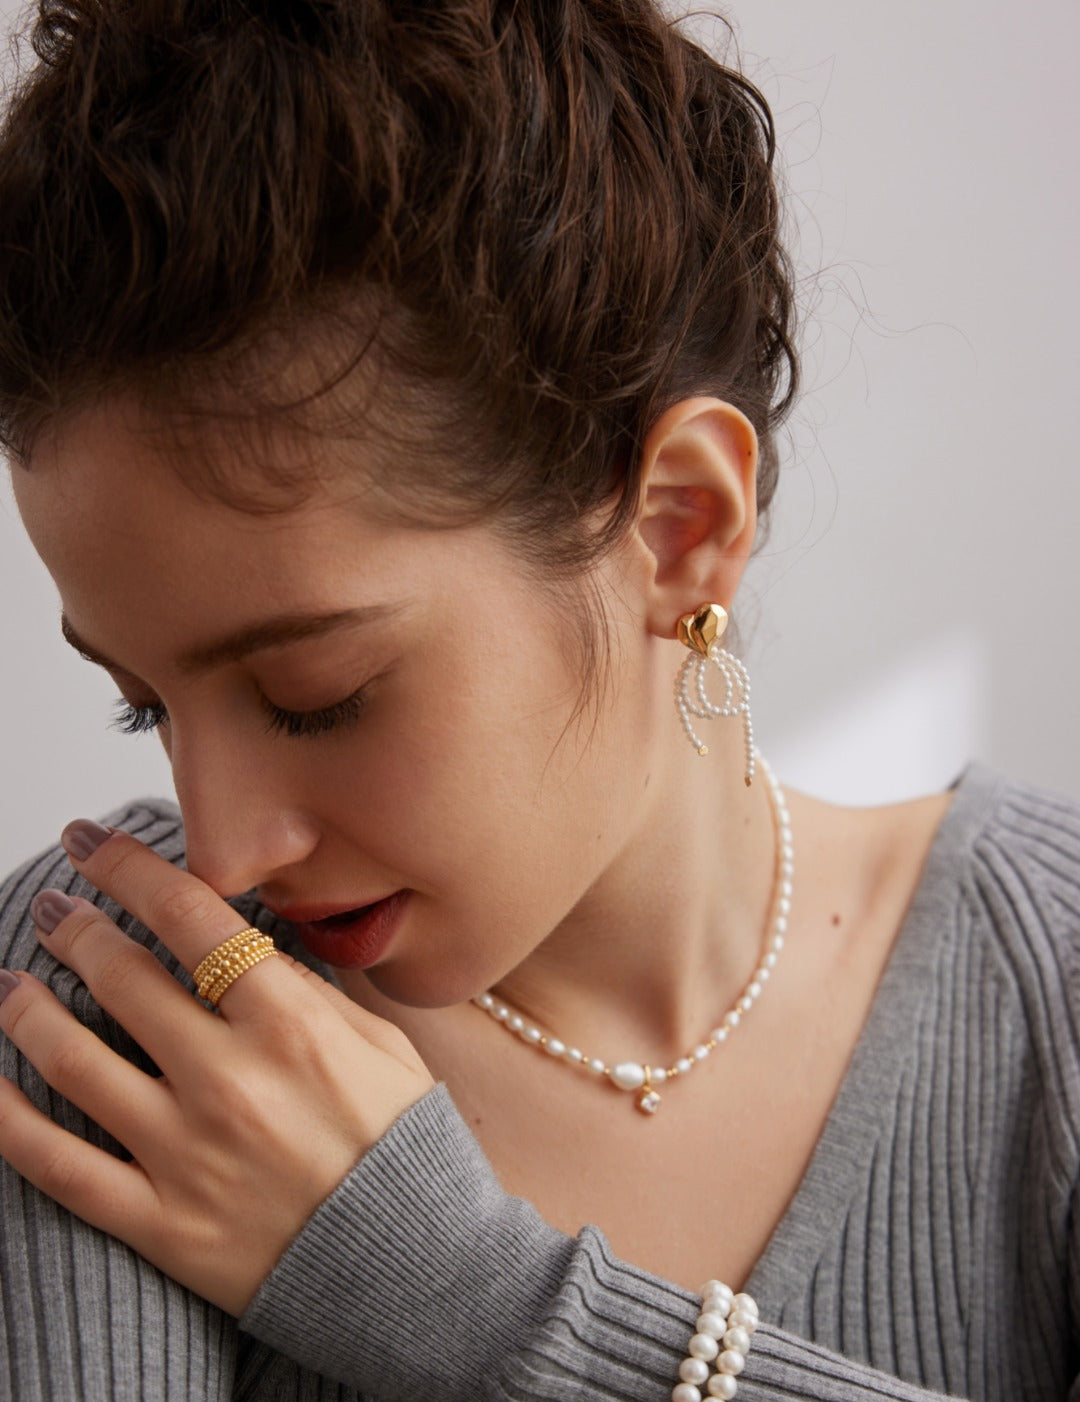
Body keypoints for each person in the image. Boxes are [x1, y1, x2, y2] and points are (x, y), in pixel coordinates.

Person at [0, 2, 1076, 1400]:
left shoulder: (1049, 975)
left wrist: (461, 1295)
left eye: (316, 695)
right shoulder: (125, 1013)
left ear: (681, 524)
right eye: (144, 704)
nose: (222, 851)